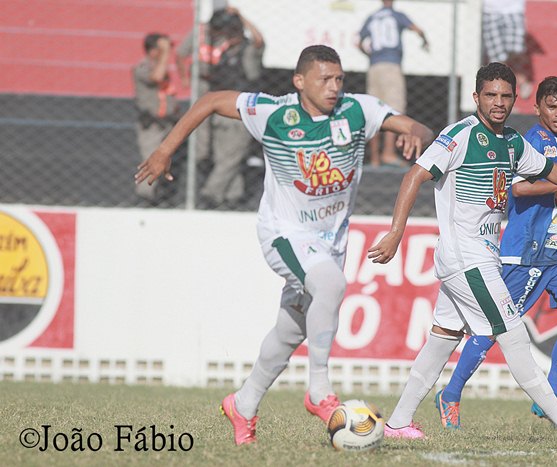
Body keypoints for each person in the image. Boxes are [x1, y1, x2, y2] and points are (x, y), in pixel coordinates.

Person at [135, 45, 433, 446]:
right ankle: (319, 391)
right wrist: (164, 150)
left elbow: (421, 130)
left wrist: (417, 134)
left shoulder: (357, 110)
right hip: (285, 234)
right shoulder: (273, 113)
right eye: (324, 79)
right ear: (299, 82)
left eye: (339, 79)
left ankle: (243, 403)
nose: (334, 87)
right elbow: (208, 101)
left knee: (291, 329)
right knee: (329, 285)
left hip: (331, 241)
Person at [367, 62, 557, 443]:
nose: (498, 102)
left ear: (514, 100)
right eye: (490, 95)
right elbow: (415, 175)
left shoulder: (512, 142)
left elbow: (552, 171)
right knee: (513, 334)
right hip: (465, 257)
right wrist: (395, 233)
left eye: (505, 96)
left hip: (479, 257)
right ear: (476, 98)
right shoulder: (460, 135)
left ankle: (398, 422)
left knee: (442, 338)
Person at [434, 76, 557, 429]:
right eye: (551, 107)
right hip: (525, 253)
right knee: (493, 329)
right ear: (536, 108)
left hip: (556, 251)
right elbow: (517, 188)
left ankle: (550, 396)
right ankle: (451, 393)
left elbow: (553, 191)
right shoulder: (531, 140)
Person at [176, 7, 265, 207]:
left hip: (241, 110)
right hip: (221, 112)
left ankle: (210, 193)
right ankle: (233, 196)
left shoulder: (248, 50)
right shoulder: (222, 53)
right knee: (223, 156)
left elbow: (259, 40)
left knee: (232, 157)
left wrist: (241, 16)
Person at [358, 0, 429, 167]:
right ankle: (388, 153)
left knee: (374, 108)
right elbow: (417, 29)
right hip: (391, 64)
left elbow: (359, 41)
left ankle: (374, 158)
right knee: (393, 107)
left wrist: (368, 54)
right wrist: (424, 40)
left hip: (374, 65)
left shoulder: (372, 17)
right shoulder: (397, 15)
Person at [132, 32, 180, 203]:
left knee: (166, 162)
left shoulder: (161, 68)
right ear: (153, 51)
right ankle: (144, 197)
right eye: (161, 50)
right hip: (152, 125)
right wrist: (165, 52)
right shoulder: (143, 67)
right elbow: (156, 77)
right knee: (150, 160)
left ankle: (159, 196)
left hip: (167, 124)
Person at [481, 0, 533, 99]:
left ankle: (521, 80)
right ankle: (502, 87)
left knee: (517, 50)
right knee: (496, 55)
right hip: (490, 9)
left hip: (514, 8)